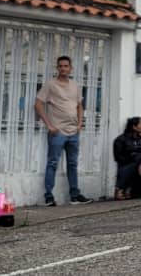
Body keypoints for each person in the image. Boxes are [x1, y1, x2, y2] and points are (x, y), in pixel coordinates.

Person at [35, 55, 93, 207]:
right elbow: (38, 104)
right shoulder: (50, 84)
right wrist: (49, 125)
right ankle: (48, 196)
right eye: (60, 66)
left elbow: (79, 105)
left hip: (73, 132)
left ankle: (74, 195)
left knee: (73, 164)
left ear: (70, 68)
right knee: (52, 163)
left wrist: (80, 124)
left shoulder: (74, 85)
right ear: (57, 68)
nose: (63, 69)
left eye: (66, 66)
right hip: (57, 132)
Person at [113, 117, 141, 201]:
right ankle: (126, 188)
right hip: (126, 164)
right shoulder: (121, 139)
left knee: (139, 158)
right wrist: (131, 159)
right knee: (135, 162)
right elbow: (118, 156)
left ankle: (121, 188)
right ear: (134, 127)